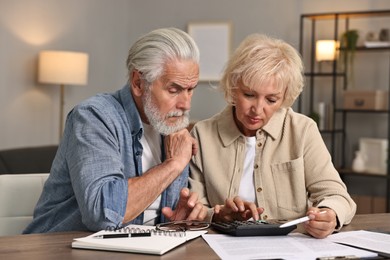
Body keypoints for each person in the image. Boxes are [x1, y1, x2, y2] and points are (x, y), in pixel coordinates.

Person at [24, 27, 207, 233]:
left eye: (191, 90)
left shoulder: (172, 129)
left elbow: (154, 221)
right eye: (174, 90)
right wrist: (173, 164)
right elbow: (104, 214)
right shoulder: (93, 117)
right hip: (56, 249)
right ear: (138, 83)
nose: (186, 104)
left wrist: (178, 219)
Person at [189, 34, 356, 239]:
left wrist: (330, 214)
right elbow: (193, 209)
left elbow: (337, 196)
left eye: (271, 99)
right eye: (249, 95)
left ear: (284, 98)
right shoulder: (202, 135)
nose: (257, 109)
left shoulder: (302, 130)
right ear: (233, 88)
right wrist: (218, 215)